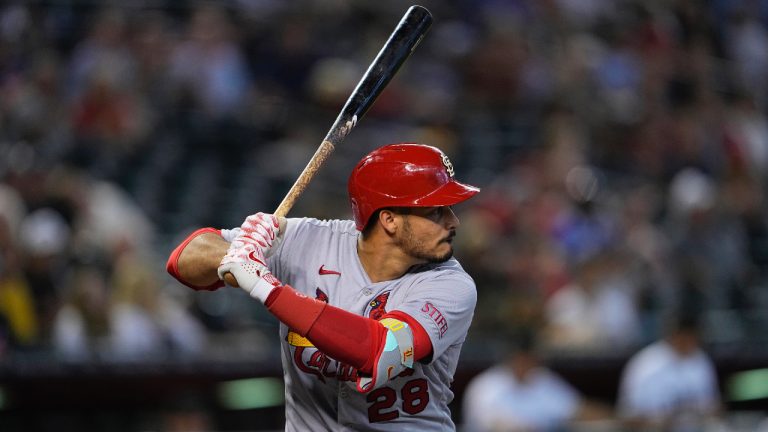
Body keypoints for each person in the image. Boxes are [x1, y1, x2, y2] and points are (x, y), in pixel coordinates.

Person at [166, 143, 480, 430]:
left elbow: (380, 351)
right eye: (436, 210)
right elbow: (181, 262)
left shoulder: (451, 285)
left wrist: (265, 286)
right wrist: (239, 251)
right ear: (390, 220)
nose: (453, 221)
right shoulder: (309, 241)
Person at [462, 328, 613, 432]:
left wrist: (617, 417)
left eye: (531, 357)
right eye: (522, 357)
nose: (527, 363)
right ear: (511, 356)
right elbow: (494, 425)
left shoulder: (543, 379)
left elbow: (579, 410)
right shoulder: (485, 386)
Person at [616, 311, 723, 431]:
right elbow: (628, 417)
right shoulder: (646, 364)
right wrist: (665, 419)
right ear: (674, 335)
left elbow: (714, 407)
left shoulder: (701, 360)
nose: (690, 344)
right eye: (685, 338)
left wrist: (695, 412)